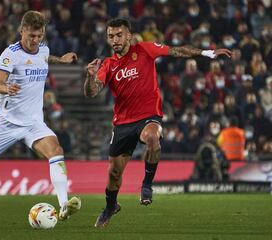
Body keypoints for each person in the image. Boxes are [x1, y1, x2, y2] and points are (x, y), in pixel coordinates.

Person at [84, 18, 232, 227]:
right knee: (114, 173)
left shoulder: (145, 50)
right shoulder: (108, 65)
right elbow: (91, 93)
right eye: (111, 36)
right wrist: (90, 77)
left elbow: (176, 51)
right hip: (123, 123)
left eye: (119, 35)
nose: (115, 39)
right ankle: (110, 206)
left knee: (153, 137)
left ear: (128, 35)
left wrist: (207, 53)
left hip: (149, 116)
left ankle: (146, 185)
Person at [0, 10, 81, 221]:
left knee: (56, 150)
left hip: (33, 123)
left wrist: (60, 59)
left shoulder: (42, 49)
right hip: (7, 122)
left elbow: (43, 57)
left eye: (39, 36)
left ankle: (63, 205)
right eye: (31, 35)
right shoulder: (10, 54)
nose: (35, 40)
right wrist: (6, 88)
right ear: (22, 30)